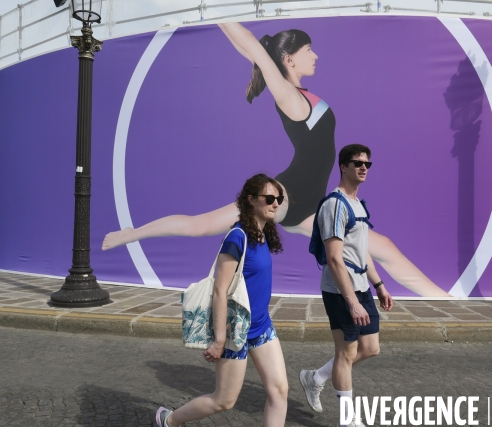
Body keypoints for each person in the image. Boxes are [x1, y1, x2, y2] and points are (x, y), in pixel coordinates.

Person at [102, 21, 448, 298]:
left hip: (311, 207)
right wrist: (212, 15)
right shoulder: (289, 96)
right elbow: (252, 45)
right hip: (285, 196)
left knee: (381, 245)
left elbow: (252, 52)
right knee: (201, 226)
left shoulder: (303, 94)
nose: (316, 55)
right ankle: (130, 234)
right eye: (309, 50)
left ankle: (441, 299)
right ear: (289, 59)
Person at [156, 174, 288, 427]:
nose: (275, 203)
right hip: (234, 331)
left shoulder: (262, 235)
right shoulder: (238, 237)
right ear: (251, 200)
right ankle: (170, 420)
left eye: (278, 199)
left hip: (261, 326)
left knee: (279, 391)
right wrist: (218, 341)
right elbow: (220, 290)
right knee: (224, 401)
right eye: (269, 198)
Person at [300, 144, 392, 427]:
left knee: (370, 347)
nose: (363, 168)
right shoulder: (335, 204)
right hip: (340, 291)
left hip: (361, 286)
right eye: (356, 163)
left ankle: (315, 378)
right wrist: (351, 300)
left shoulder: (358, 205)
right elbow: (334, 258)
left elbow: (362, 251)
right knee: (345, 353)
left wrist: (379, 284)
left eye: (367, 164)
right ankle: (348, 420)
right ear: (343, 166)